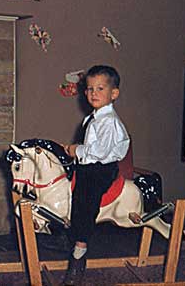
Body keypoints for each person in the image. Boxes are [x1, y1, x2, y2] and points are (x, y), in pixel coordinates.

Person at [62, 65, 130, 285]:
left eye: (100, 88)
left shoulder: (108, 121)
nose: (93, 93)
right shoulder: (94, 117)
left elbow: (99, 153)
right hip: (89, 165)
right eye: (90, 89)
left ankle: (80, 249)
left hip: (102, 168)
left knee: (86, 195)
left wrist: (76, 150)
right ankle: (67, 225)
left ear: (114, 94)